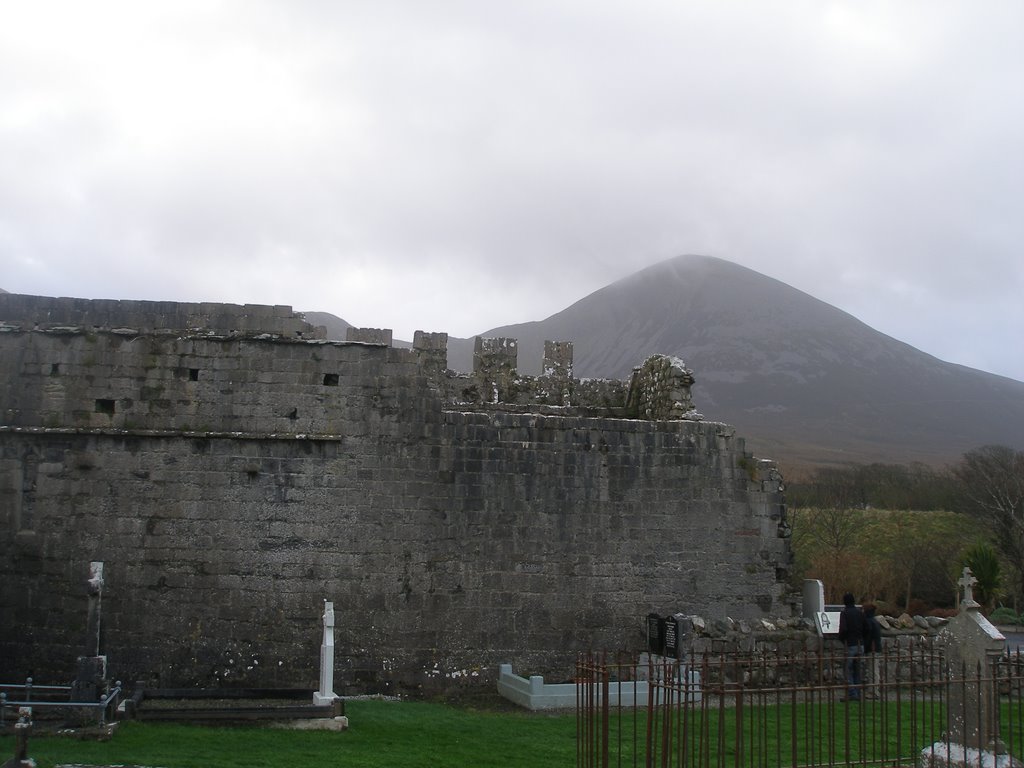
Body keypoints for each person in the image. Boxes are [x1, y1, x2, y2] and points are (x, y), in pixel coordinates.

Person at [837, 592, 865, 700]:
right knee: (857, 669)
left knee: (848, 670)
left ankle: (852, 693)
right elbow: (865, 627)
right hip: (860, 643)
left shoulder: (844, 613)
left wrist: (842, 639)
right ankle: (857, 692)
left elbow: (843, 629)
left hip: (850, 644)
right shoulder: (860, 613)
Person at [862, 602, 883, 697]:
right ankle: (873, 689)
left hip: (872, 648)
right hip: (875, 648)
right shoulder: (874, 621)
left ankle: (873, 691)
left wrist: (865, 646)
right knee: (874, 669)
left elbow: (868, 636)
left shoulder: (869, 621)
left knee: (872, 670)